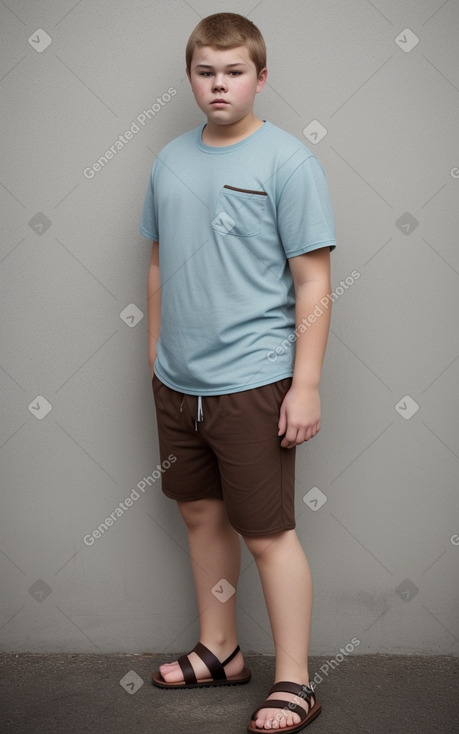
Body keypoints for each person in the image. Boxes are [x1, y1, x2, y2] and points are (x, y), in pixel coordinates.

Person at [139, 12, 336, 732]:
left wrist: (305, 383)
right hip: (177, 381)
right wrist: (156, 356)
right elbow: (159, 261)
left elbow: (312, 282)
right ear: (191, 77)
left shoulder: (288, 162)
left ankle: (295, 681)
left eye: (232, 72)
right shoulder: (169, 160)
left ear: (259, 77)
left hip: (254, 381)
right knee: (199, 513)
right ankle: (220, 650)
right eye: (204, 72)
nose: (218, 85)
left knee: (266, 532)